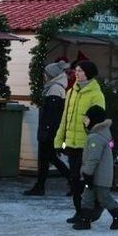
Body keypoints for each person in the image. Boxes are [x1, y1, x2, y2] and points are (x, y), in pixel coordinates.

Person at [54, 60, 105, 224]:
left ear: (89, 73)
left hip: (88, 144)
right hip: (72, 143)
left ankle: (91, 209)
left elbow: (99, 121)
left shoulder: (96, 94)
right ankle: (78, 211)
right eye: (76, 70)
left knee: (86, 180)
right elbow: (65, 118)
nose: (77, 73)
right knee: (74, 179)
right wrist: (59, 140)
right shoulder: (71, 92)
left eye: (81, 71)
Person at [72, 105, 118, 230]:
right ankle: (85, 220)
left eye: (87, 119)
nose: (85, 122)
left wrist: (87, 173)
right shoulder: (102, 134)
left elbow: (93, 159)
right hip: (94, 175)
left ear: (93, 120)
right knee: (87, 197)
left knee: (104, 197)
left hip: (98, 176)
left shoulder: (95, 138)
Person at [23, 61, 72, 196]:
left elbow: (52, 113)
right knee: (48, 158)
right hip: (51, 129)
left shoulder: (55, 89)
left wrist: (46, 130)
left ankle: (71, 181)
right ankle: (42, 185)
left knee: (48, 157)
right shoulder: (57, 87)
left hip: (49, 130)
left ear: (52, 75)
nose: (44, 76)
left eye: (46, 73)